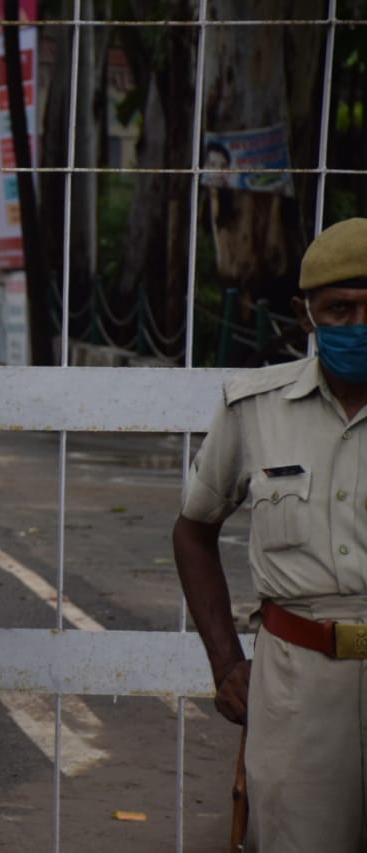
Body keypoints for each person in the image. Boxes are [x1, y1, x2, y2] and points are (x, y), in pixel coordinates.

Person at [172, 217, 367, 851]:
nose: (357, 325)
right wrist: (226, 663)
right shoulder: (253, 409)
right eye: (340, 309)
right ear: (305, 316)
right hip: (297, 687)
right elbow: (193, 531)